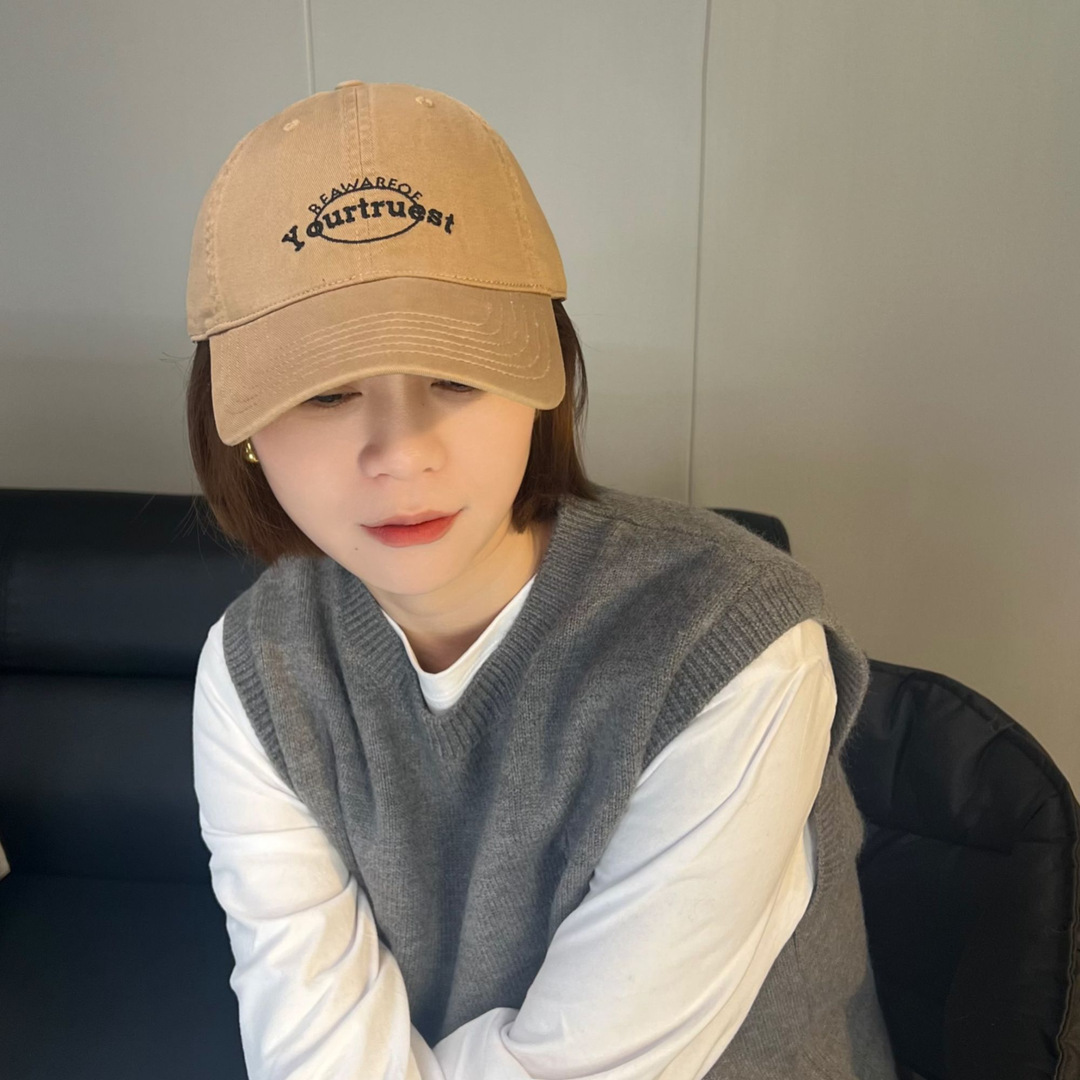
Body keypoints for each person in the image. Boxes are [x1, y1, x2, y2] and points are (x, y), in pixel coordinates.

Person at [186, 80, 898, 1079]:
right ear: (244, 431)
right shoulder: (257, 669)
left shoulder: (729, 644)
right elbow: (310, 1047)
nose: (402, 451)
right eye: (328, 390)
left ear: (542, 381)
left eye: (457, 374)